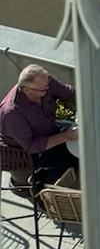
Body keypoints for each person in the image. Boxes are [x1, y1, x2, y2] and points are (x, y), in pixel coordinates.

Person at [0, 64, 79, 194]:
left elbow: (70, 93)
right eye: (42, 89)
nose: (47, 89)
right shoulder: (12, 113)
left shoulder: (44, 83)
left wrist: (92, 103)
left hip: (48, 127)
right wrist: (67, 136)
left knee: (76, 136)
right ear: (26, 90)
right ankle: (43, 186)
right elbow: (32, 145)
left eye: (47, 85)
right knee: (70, 154)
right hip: (24, 150)